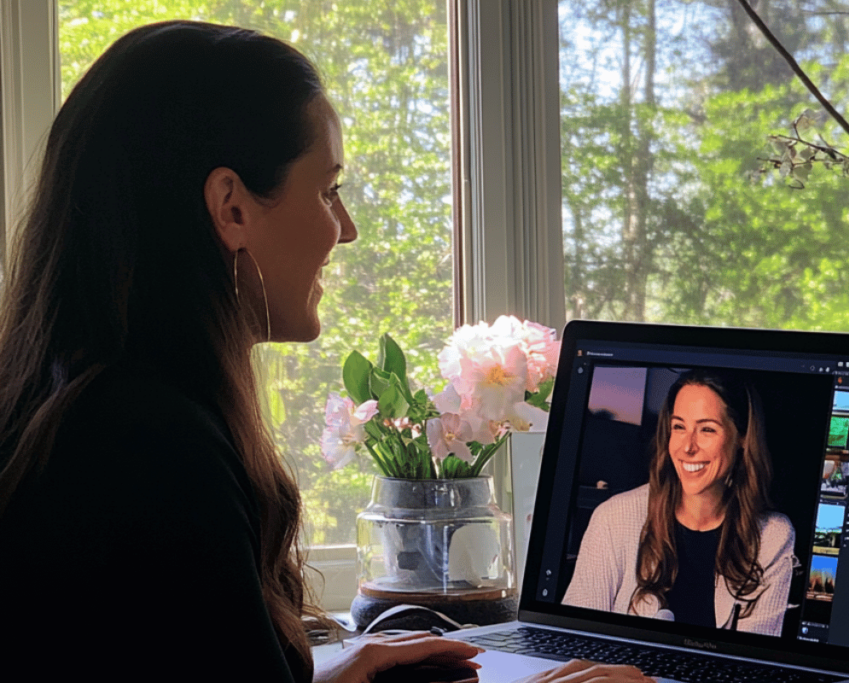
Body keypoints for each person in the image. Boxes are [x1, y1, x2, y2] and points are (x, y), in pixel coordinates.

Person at [0, 20, 652, 683]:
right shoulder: (155, 447)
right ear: (231, 207)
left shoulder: (78, 411)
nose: (346, 230)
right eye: (328, 189)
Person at [563, 369, 796, 636]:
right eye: (679, 427)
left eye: (707, 429)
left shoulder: (773, 536)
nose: (687, 447)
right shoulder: (613, 519)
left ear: (742, 438)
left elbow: (755, 665)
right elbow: (577, 642)